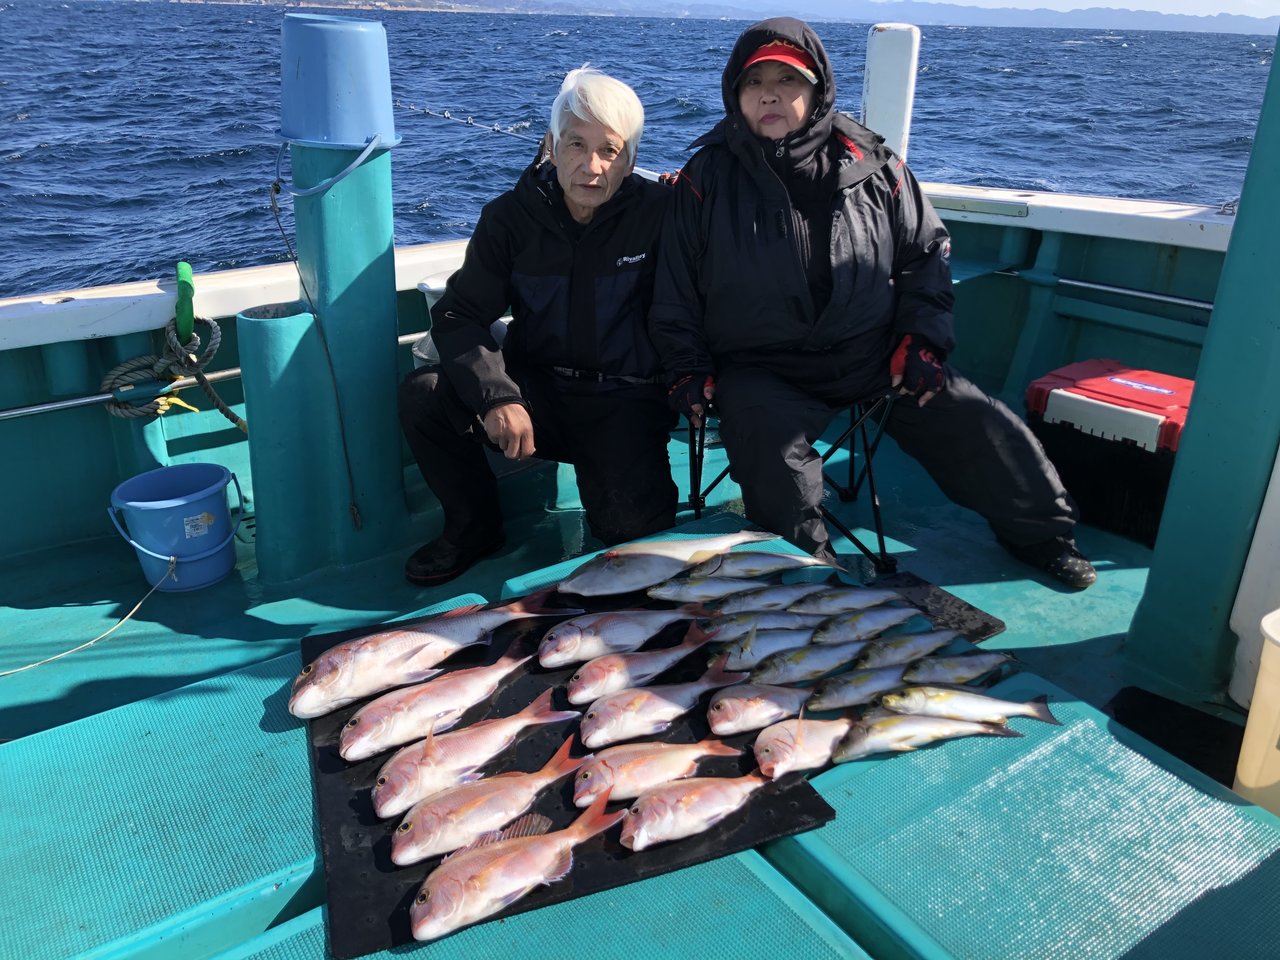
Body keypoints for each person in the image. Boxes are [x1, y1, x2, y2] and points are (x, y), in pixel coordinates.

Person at [649, 17, 1097, 589]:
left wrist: (922, 342)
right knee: (772, 456)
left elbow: (925, 255)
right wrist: (687, 368)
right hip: (760, 368)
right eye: (754, 82)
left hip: (872, 354)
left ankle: (1042, 537)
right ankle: (814, 581)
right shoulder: (704, 178)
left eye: (788, 80)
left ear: (817, 91)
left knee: (977, 420)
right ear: (734, 94)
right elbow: (675, 289)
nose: (770, 95)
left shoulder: (875, 164)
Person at [398, 67, 677, 585]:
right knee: (425, 394)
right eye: (576, 145)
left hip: (625, 401)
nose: (591, 167)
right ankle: (474, 528)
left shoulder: (664, 214)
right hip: (537, 394)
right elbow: (459, 314)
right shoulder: (510, 218)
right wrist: (497, 396)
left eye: (609, 150)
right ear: (551, 145)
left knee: (635, 551)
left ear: (631, 158)